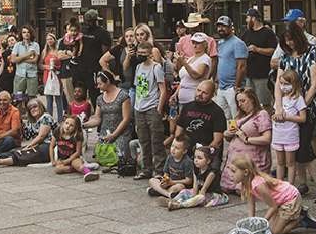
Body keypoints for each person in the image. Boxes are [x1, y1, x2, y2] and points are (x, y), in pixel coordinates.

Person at [275, 24, 316, 203]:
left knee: (304, 145)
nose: (289, 43)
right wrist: (279, 106)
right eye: (286, 40)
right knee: (293, 146)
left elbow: (315, 83)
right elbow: (278, 83)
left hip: (306, 105)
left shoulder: (312, 52)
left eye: (291, 39)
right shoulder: (285, 56)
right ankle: (303, 182)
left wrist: (301, 105)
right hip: (287, 106)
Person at [228, 154, 316, 234]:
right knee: (269, 229)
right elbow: (251, 205)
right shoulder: (246, 183)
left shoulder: (258, 185)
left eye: (234, 171)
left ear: (245, 172)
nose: (230, 175)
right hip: (280, 202)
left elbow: (273, 206)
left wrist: (262, 223)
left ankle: (302, 219)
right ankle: (293, 216)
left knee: (276, 232)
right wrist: (251, 224)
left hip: (290, 199)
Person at [221, 87, 272, 193]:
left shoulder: (262, 115)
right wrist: (227, 134)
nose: (240, 104)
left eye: (243, 101)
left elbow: (267, 138)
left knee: (243, 190)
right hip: (234, 162)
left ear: (252, 99)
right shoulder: (239, 115)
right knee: (226, 189)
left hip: (251, 160)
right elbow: (229, 137)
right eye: (238, 102)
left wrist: (247, 139)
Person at [132, 41, 168, 179]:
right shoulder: (138, 67)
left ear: (149, 54)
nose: (140, 55)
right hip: (139, 107)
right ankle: (146, 169)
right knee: (143, 141)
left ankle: (159, 171)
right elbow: (137, 88)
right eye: (139, 53)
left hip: (152, 107)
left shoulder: (156, 67)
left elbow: (162, 90)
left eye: (143, 53)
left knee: (156, 141)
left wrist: (159, 108)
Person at [0, 98, 56, 168]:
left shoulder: (46, 117)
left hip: (50, 147)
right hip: (39, 146)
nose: (33, 109)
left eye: (35, 106)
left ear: (40, 106)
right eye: (30, 108)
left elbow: (41, 136)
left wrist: (28, 146)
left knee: (26, 153)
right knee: (15, 150)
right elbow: (26, 136)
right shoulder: (32, 123)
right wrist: (19, 124)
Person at [175, 79, 227, 168]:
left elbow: (217, 141)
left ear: (212, 95)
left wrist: (202, 156)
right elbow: (178, 132)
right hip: (187, 152)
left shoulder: (217, 112)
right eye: (198, 90)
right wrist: (179, 149)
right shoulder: (187, 107)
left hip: (206, 155)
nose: (200, 94)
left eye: (204, 93)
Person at [85, 71, 133, 166]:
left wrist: (114, 135)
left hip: (121, 133)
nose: (98, 86)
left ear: (107, 81)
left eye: (100, 84)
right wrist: (83, 125)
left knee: (118, 156)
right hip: (105, 133)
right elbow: (97, 119)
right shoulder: (100, 98)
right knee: (101, 156)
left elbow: (126, 119)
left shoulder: (123, 95)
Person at [271, 69, 306, 187]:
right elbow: (275, 113)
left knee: (290, 162)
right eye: (281, 83)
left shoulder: (298, 99)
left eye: (286, 84)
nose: (283, 87)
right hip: (278, 134)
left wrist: (288, 118)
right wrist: (275, 116)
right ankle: (279, 185)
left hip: (290, 135)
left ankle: (290, 186)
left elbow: (302, 118)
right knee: (280, 162)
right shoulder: (279, 99)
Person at [168, 145, 230, 209]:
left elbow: (204, 189)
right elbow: (195, 186)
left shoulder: (211, 173)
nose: (196, 160)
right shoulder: (196, 169)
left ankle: (180, 205)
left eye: (199, 158)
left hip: (213, 194)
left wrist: (194, 198)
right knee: (184, 191)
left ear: (208, 161)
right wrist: (193, 195)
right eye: (195, 157)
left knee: (200, 198)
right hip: (200, 192)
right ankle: (173, 201)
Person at [241, 7, 278, 110]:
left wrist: (257, 49)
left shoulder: (267, 32)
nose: (246, 21)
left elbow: (273, 50)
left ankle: (267, 124)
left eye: (248, 18)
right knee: (249, 103)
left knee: (264, 103)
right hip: (249, 75)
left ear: (254, 18)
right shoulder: (246, 33)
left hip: (263, 74)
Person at [213, 15, 248, 120]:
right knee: (223, 117)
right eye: (219, 26)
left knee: (236, 117)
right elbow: (221, 61)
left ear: (230, 27)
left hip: (233, 87)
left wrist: (236, 87)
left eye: (223, 26)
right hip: (221, 87)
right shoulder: (220, 43)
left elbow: (241, 66)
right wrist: (216, 80)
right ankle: (227, 136)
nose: (220, 29)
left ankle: (238, 136)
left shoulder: (238, 43)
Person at [50, 115, 98, 182]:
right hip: (62, 159)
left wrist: (69, 160)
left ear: (75, 128)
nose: (68, 126)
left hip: (74, 157)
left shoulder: (77, 135)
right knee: (57, 170)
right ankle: (80, 168)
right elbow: (51, 146)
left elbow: (78, 152)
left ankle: (88, 172)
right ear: (63, 123)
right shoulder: (58, 131)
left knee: (77, 164)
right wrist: (52, 161)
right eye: (66, 123)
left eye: (71, 125)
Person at [174, 32, 213, 106]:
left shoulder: (205, 59)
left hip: (194, 100)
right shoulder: (191, 58)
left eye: (198, 43)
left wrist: (184, 63)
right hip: (182, 100)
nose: (195, 46)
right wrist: (175, 94)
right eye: (193, 43)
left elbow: (196, 75)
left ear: (205, 45)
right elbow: (183, 80)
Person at [10, 26, 41, 99]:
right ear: (21, 34)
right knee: (18, 98)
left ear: (31, 34)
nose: (26, 34)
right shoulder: (17, 45)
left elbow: (34, 60)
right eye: (24, 32)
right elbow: (13, 60)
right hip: (20, 75)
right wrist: (28, 55)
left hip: (32, 75)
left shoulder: (35, 45)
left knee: (32, 98)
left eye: (28, 32)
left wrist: (20, 59)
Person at [56, 19, 82, 108]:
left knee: (80, 96)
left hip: (79, 72)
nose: (72, 32)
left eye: (74, 30)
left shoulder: (80, 40)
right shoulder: (63, 41)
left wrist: (66, 53)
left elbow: (79, 54)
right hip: (66, 73)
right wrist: (69, 53)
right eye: (70, 30)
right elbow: (59, 56)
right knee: (69, 98)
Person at [40, 32, 64, 120]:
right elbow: (40, 65)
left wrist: (56, 67)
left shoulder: (59, 51)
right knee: (49, 100)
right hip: (47, 76)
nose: (49, 41)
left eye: (51, 39)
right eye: (47, 39)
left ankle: (60, 119)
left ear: (54, 40)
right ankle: (49, 119)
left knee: (58, 98)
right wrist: (47, 67)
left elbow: (63, 63)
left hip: (57, 76)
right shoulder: (44, 51)